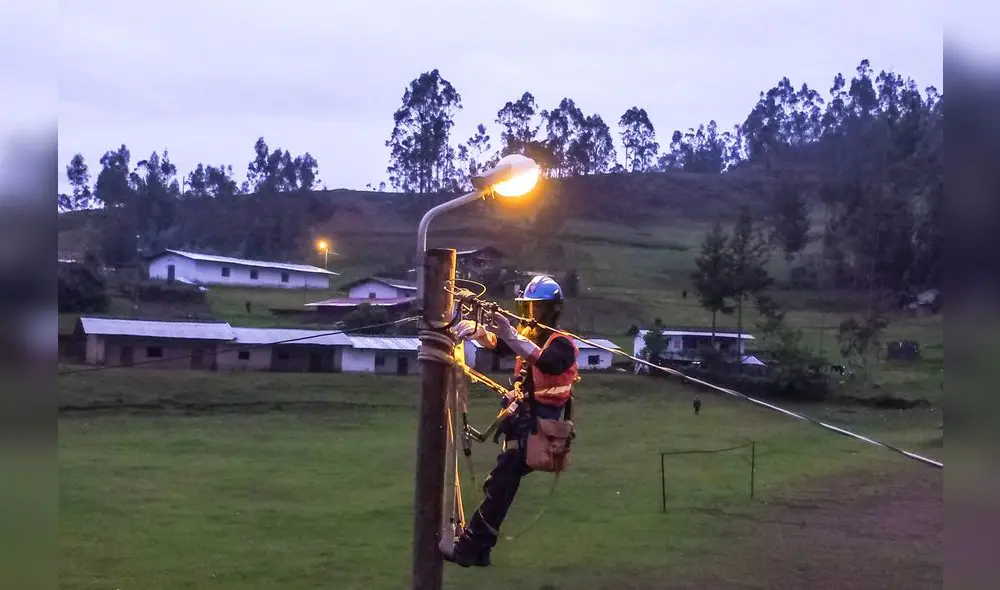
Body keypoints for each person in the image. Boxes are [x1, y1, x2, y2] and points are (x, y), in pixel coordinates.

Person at [443, 275, 579, 567]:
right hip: (522, 425)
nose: (531, 313)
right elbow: (502, 345)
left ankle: (470, 547)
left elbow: (544, 360)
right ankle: (480, 551)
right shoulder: (528, 336)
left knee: (500, 486)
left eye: (536, 307)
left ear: (552, 309)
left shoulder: (562, 344)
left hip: (540, 429)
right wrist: (480, 333)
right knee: (500, 486)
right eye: (527, 307)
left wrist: (510, 335)